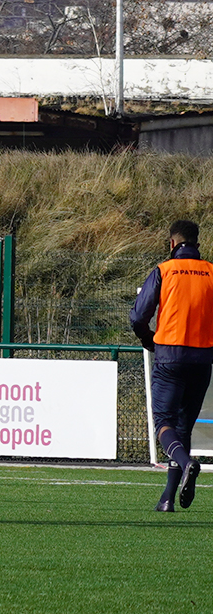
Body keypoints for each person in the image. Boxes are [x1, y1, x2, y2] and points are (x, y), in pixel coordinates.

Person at [130, 218, 213, 512]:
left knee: (164, 423)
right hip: (202, 359)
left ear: (172, 243)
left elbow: (139, 315)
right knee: (184, 428)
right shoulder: (211, 273)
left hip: (169, 356)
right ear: (198, 244)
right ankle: (167, 498)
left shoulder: (165, 270)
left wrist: (147, 338)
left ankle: (187, 463)